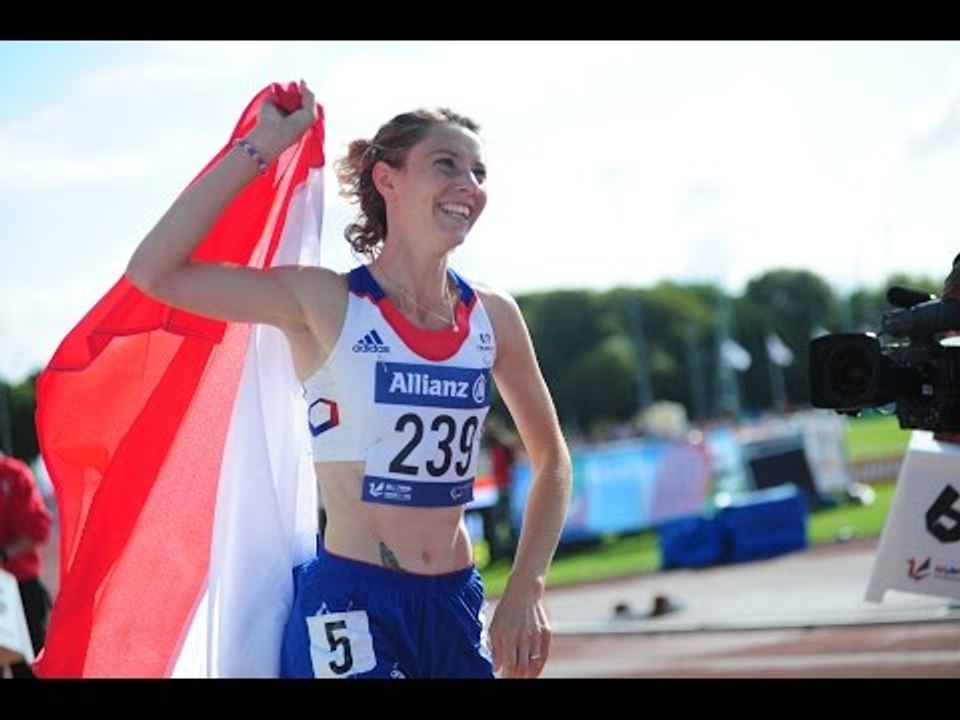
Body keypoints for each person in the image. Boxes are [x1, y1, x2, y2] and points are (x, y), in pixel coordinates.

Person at [124, 81, 572, 679]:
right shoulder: (324, 300)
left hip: (454, 604)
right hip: (351, 606)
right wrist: (262, 145)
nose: (470, 186)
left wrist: (526, 587)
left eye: (479, 172)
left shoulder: (494, 317)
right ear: (387, 180)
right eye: (446, 165)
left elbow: (552, 459)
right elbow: (154, 272)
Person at [0, 453, 53, 678]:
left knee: (29, 670)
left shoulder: (15, 474)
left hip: (19, 588)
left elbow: (39, 528)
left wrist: (4, 553)